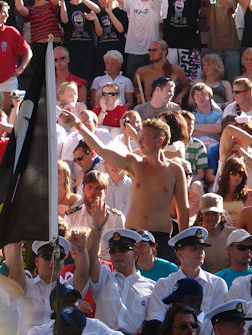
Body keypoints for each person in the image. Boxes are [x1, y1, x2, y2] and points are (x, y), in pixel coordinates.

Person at [65, 111, 189, 259]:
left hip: (160, 237)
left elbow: (183, 209)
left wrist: (184, 243)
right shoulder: (134, 163)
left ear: (159, 140)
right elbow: (101, 150)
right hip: (132, 235)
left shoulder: (175, 170)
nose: (139, 141)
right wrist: (78, 124)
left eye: (143, 138)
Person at [145, 227, 228, 327]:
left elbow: (218, 322)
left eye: (202, 248)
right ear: (180, 254)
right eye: (194, 249)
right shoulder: (164, 284)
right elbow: (156, 318)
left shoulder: (217, 284)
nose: (200, 252)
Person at [86, 224, 156, 333]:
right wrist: (96, 227)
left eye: (123, 249)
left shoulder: (152, 287)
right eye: (113, 251)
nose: (117, 254)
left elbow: (153, 322)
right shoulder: (104, 277)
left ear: (135, 253)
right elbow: (90, 258)